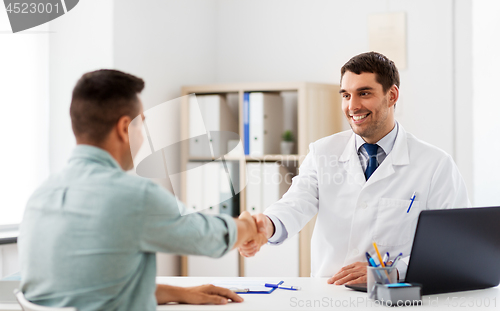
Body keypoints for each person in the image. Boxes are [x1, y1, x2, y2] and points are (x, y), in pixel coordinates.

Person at [18, 69, 266, 310]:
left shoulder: (40, 197)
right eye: (141, 126)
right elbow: (206, 236)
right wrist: (246, 226)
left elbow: (88, 291)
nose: (143, 138)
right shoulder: (133, 196)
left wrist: (181, 293)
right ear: (124, 128)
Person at [239, 51, 470, 285]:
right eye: (346, 95)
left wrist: (391, 272)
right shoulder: (322, 152)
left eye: (364, 93)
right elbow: (295, 204)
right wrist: (265, 226)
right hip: (329, 293)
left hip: (394, 295)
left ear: (392, 95)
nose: (353, 106)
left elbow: (455, 244)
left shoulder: (435, 165)